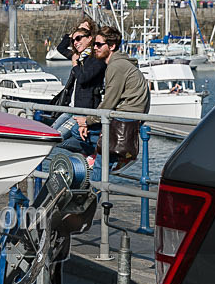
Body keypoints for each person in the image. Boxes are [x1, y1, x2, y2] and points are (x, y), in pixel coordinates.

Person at [74, 26, 150, 176]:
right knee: (80, 133)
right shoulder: (119, 63)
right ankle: (108, 153)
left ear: (112, 46)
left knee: (78, 135)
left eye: (99, 45)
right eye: (94, 44)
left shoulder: (116, 66)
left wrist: (87, 121)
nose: (95, 48)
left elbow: (109, 102)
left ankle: (96, 193)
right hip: (128, 117)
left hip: (124, 120)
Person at [51, 23, 106, 152]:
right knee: (49, 134)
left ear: (90, 37)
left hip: (83, 110)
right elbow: (61, 48)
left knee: (57, 139)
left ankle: (93, 151)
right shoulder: (80, 56)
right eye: (73, 40)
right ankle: (89, 152)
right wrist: (75, 33)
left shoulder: (95, 58)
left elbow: (83, 79)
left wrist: (75, 64)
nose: (75, 42)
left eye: (79, 38)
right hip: (71, 107)